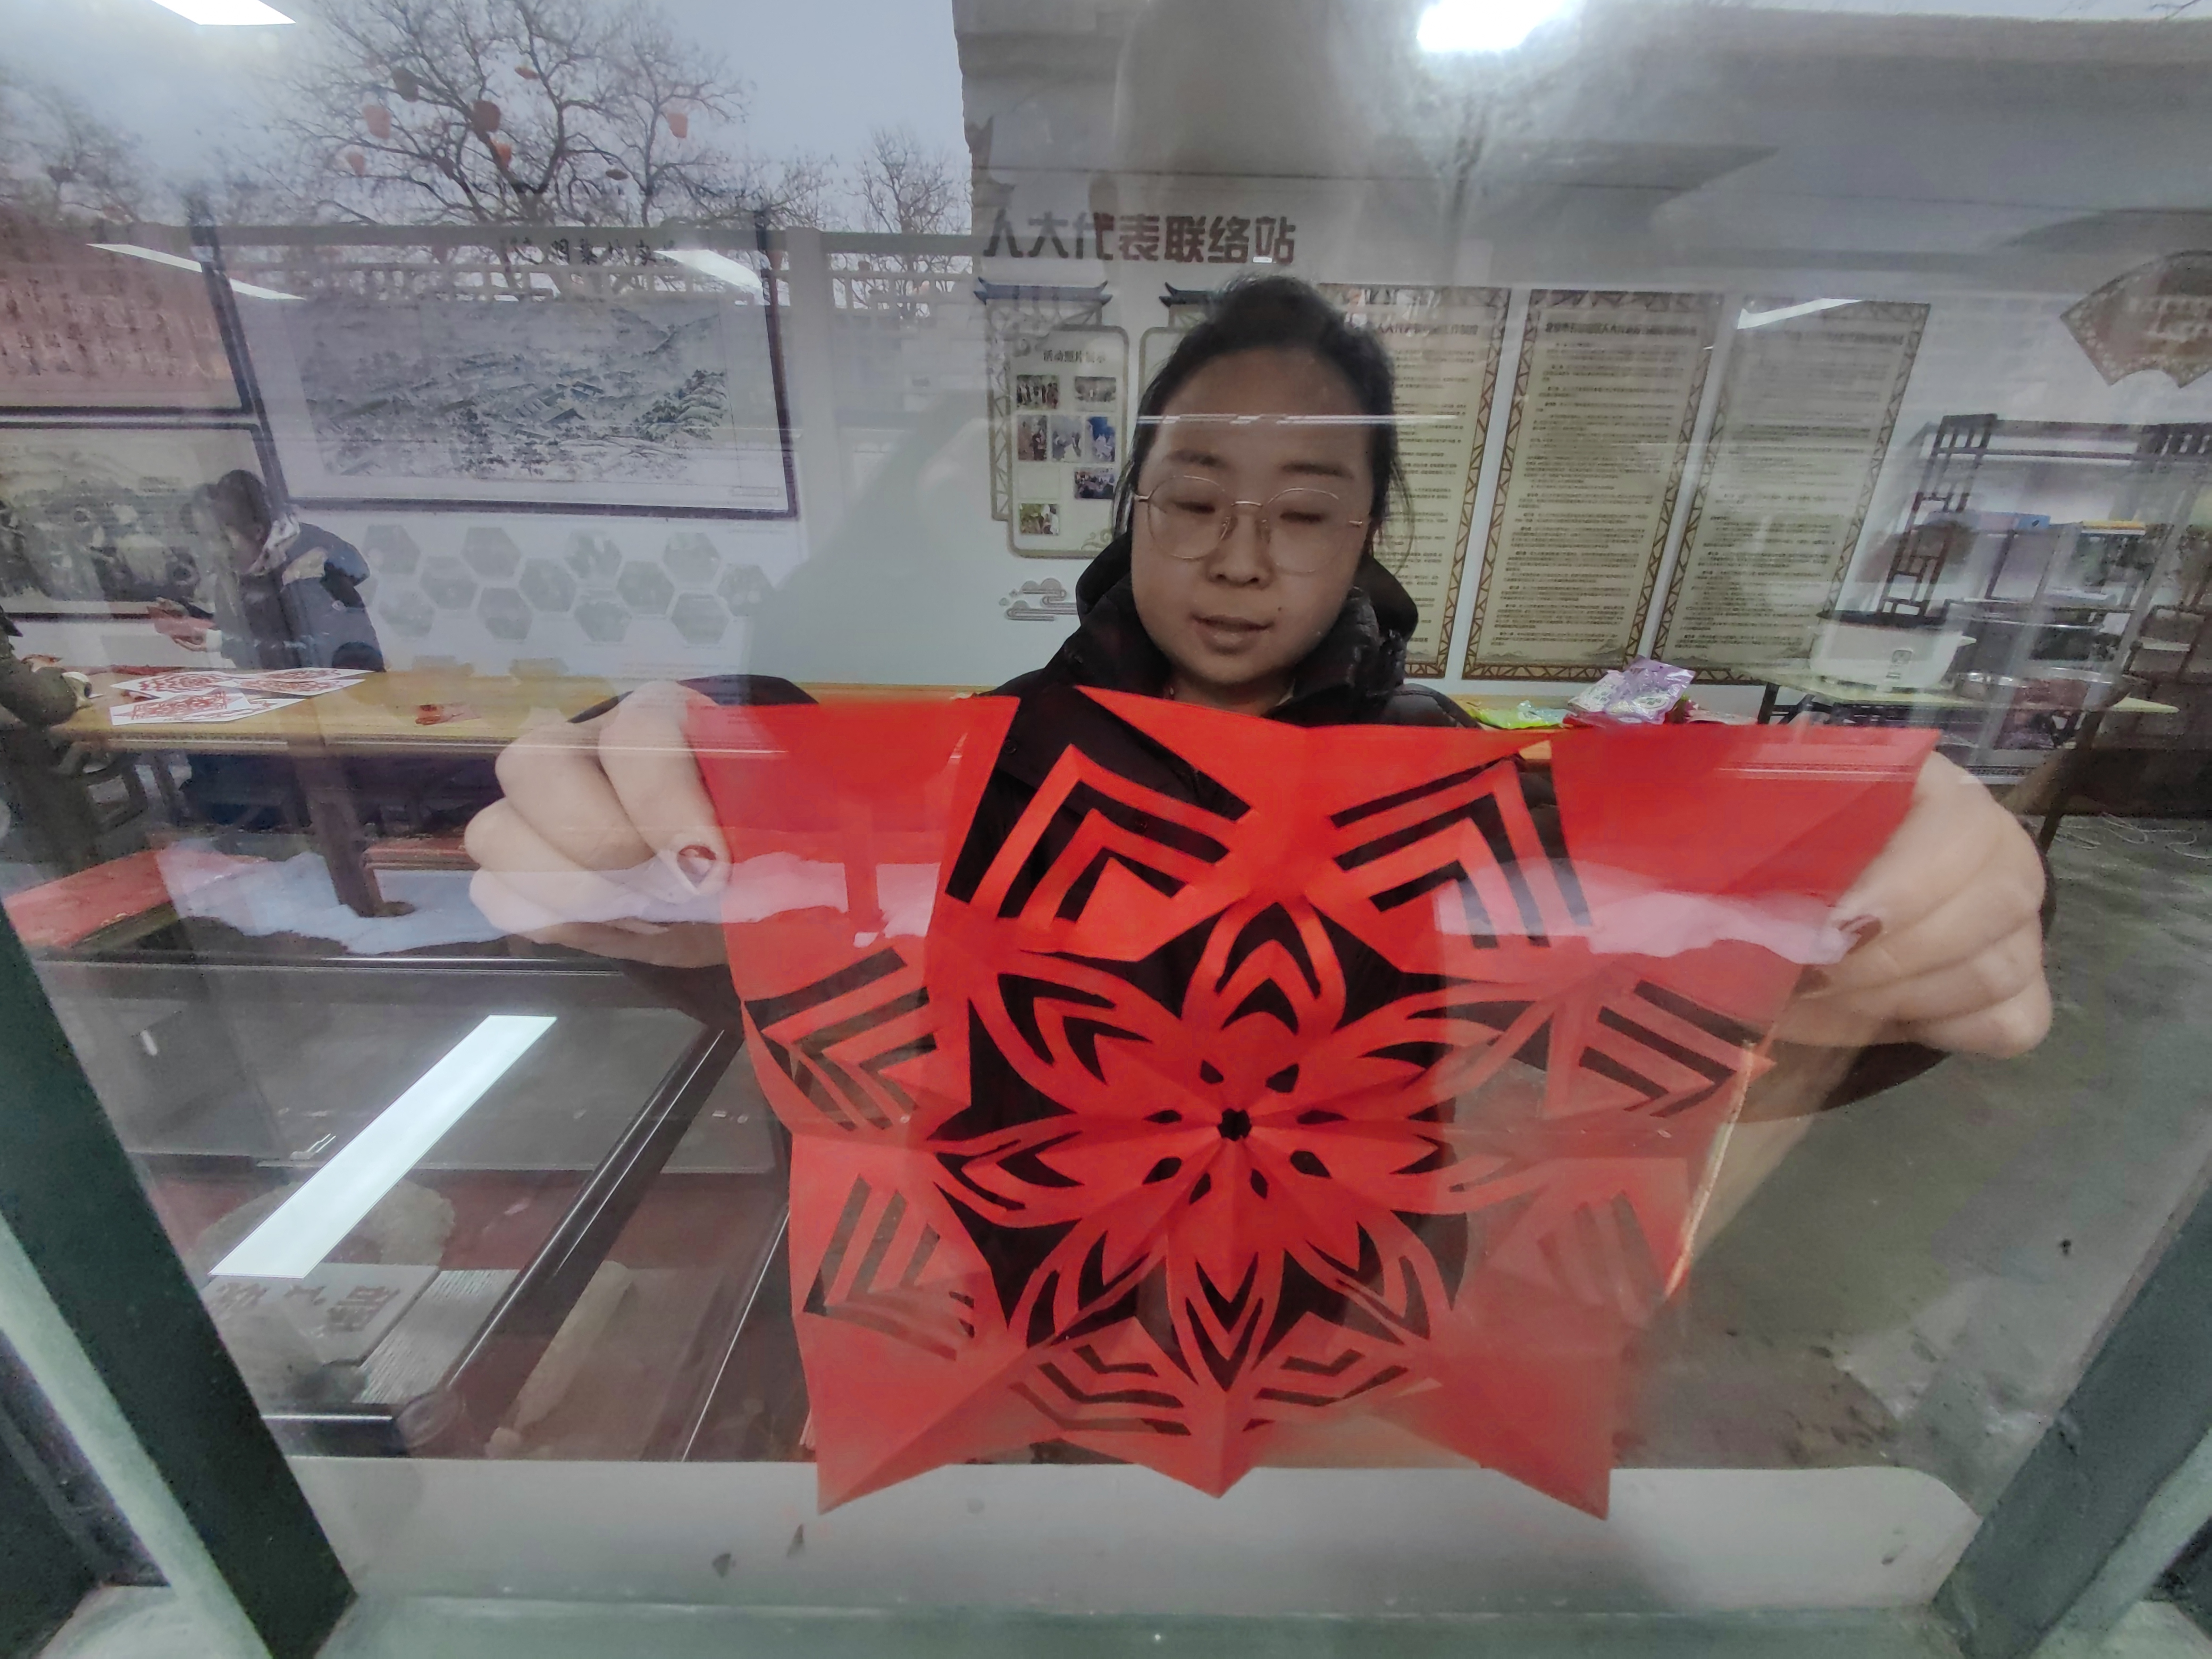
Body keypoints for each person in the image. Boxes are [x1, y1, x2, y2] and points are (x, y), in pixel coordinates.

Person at [465, 276, 2050, 1074]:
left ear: (1364, 538)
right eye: (1195, 501)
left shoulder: (1452, 776)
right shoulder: (998, 752)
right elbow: (791, 812)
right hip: (1008, 1325)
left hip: (1358, 1350)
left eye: (1301, 514)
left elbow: (1662, 949)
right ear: (1133, 513)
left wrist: (1892, 874)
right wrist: (666, 761)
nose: (1238, 562)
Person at [152, 471, 385, 673]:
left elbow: (316, 652)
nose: (214, 550)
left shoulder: (310, 564)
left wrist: (224, 643)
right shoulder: (247, 569)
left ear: (257, 532)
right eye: (206, 539)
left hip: (347, 695)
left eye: (221, 538)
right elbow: (253, 631)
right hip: (285, 692)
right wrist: (193, 618)